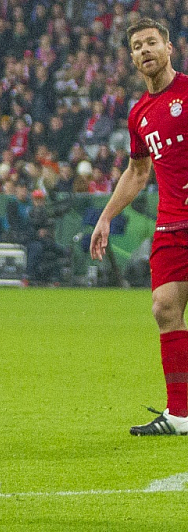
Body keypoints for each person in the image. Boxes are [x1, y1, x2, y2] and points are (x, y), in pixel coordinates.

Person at [90, 18, 188, 436]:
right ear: (131, 58)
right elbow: (137, 171)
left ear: (170, 48)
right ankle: (181, 415)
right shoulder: (139, 115)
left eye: (152, 42)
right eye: (137, 45)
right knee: (165, 309)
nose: (145, 50)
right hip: (171, 226)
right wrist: (106, 216)